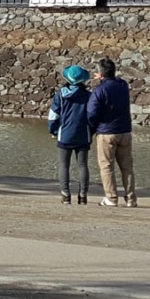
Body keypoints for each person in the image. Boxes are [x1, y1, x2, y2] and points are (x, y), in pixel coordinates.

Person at [87, 58, 137, 208]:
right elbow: (114, 81)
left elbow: (91, 112)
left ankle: (111, 198)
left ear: (100, 74)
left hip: (106, 132)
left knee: (106, 166)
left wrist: (92, 128)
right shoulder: (123, 85)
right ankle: (131, 199)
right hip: (125, 131)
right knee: (127, 166)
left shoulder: (99, 91)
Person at [48, 64, 92, 204]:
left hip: (65, 135)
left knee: (63, 165)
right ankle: (83, 196)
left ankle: (65, 195)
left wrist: (53, 130)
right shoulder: (88, 96)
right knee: (83, 165)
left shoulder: (60, 95)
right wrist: (91, 131)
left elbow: (53, 116)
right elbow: (93, 116)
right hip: (83, 135)